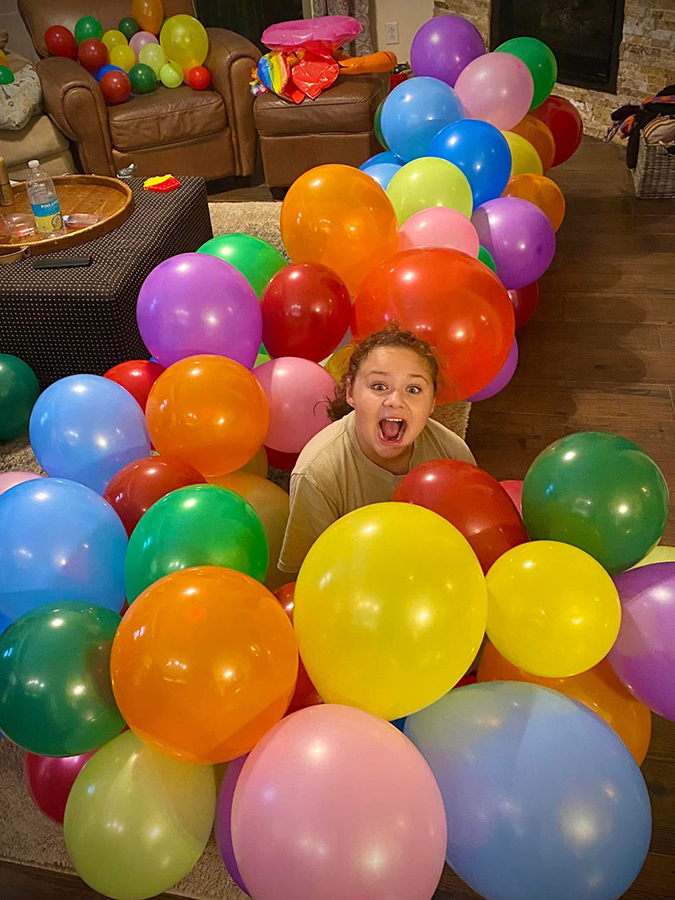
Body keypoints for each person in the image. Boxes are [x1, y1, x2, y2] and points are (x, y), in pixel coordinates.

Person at [278, 325, 475, 576]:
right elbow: (305, 574)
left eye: (413, 389)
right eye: (379, 386)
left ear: (432, 403)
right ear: (351, 392)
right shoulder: (317, 473)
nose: (395, 401)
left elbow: (468, 550)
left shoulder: (453, 456)